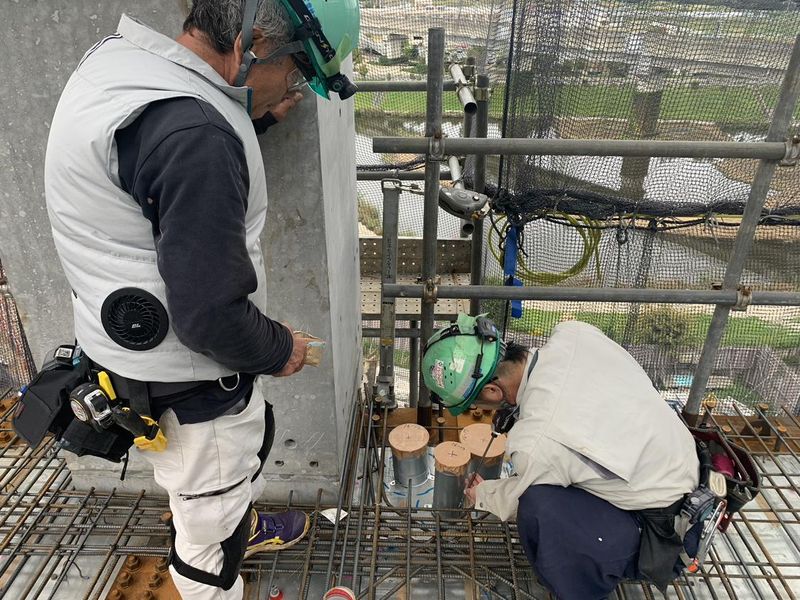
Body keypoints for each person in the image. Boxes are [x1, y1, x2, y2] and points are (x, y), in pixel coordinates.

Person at [44, 1, 359, 598]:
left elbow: (151, 173)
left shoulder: (123, 69)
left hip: (124, 353)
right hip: (187, 378)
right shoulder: (198, 138)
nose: (292, 88)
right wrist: (280, 349)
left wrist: (250, 123)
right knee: (206, 540)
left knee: (213, 488)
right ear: (254, 42)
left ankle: (236, 518)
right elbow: (210, 315)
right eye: (296, 73)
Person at [421, 314, 702, 599]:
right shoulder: (575, 334)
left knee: (540, 507)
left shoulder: (536, 441)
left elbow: (517, 498)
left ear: (493, 391)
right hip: (687, 473)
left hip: (666, 533)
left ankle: (582, 587)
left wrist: (482, 493)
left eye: (478, 403)